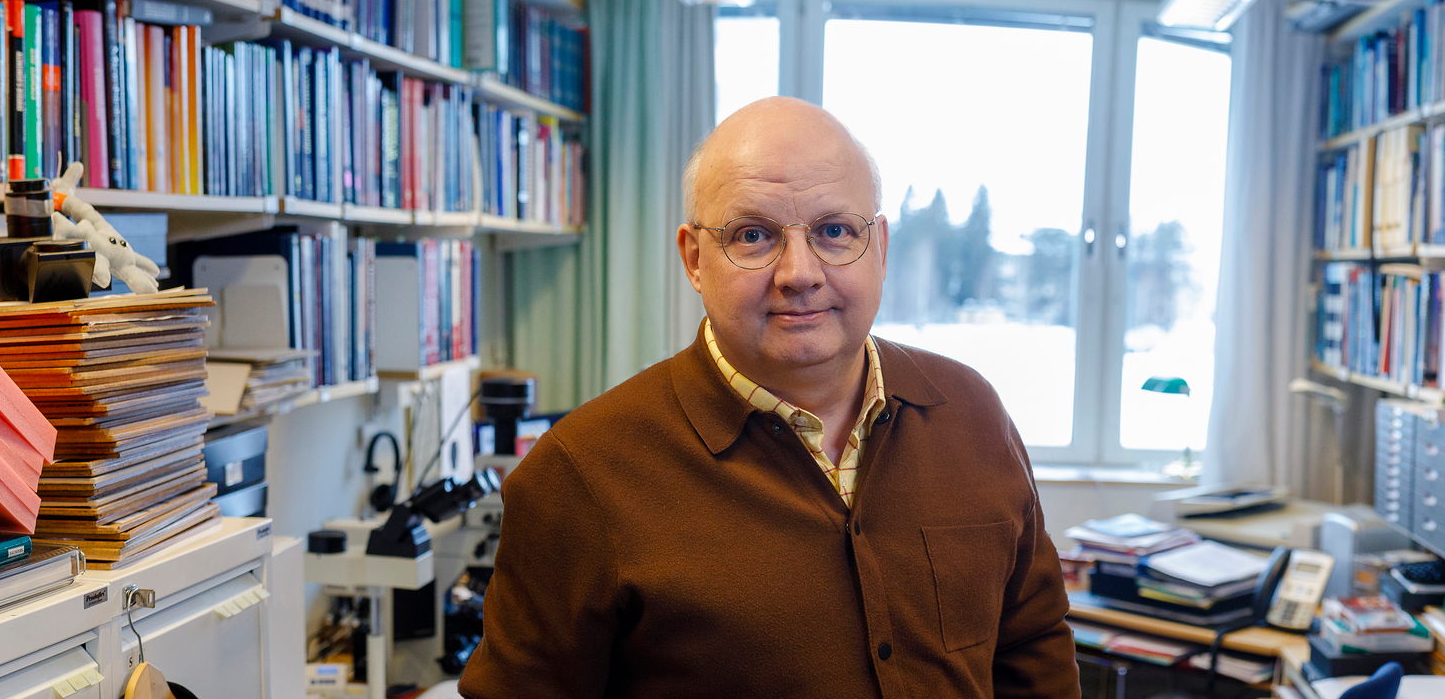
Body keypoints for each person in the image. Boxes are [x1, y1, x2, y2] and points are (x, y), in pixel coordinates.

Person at [458, 97, 1076, 698]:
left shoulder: (972, 415)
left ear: (881, 249)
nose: (800, 273)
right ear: (694, 260)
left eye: (835, 231)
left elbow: (1033, 648)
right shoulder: (578, 475)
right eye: (753, 235)